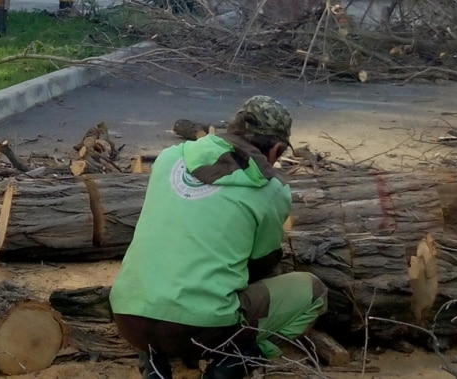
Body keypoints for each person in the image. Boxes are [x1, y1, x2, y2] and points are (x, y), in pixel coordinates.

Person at [109, 96, 328, 379]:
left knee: (157, 283)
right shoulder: (271, 190)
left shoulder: (168, 158)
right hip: (202, 328)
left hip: (128, 318)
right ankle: (229, 368)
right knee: (314, 292)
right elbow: (261, 265)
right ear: (276, 149)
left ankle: (153, 365)